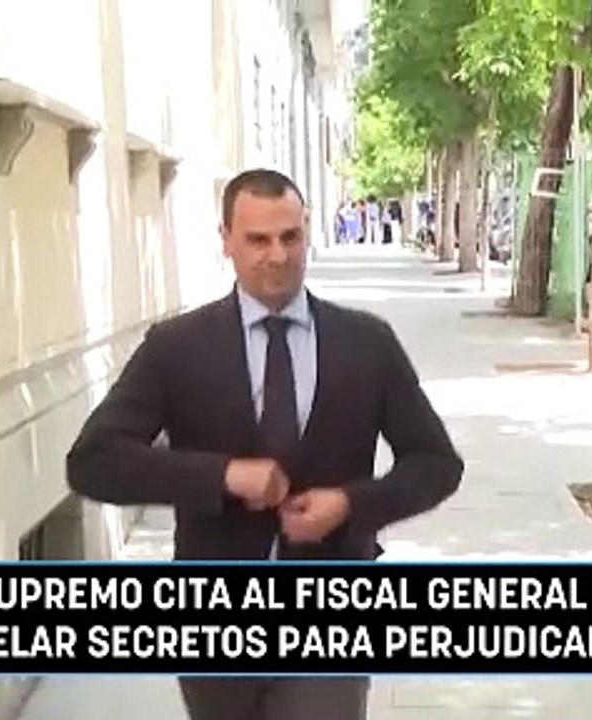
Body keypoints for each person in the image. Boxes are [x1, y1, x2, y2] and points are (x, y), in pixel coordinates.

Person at [65, 168, 465, 720]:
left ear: (307, 232)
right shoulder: (177, 347)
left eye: (289, 237)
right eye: (257, 240)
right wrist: (222, 476)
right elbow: (93, 462)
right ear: (226, 239)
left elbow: (436, 463)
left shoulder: (365, 342)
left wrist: (350, 504)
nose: (277, 256)